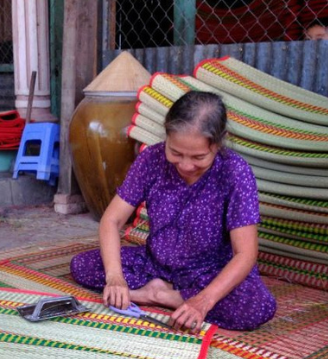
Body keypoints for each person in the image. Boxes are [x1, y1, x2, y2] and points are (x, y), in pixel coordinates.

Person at [70, 91, 276, 332]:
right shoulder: (151, 159)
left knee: (256, 306)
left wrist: (203, 301)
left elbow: (245, 254)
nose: (186, 165)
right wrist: (115, 278)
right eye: (176, 153)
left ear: (218, 143)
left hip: (209, 272)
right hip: (155, 264)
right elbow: (112, 221)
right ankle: (153, 291)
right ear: (166, 135)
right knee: (84, 265)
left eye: (199, 157)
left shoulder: (235, 172)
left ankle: (167, 297)